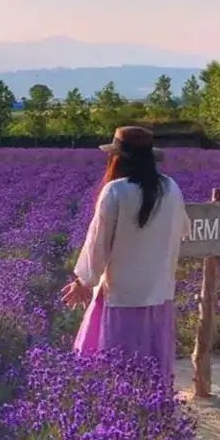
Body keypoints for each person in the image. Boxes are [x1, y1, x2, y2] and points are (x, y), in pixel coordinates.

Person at [60, 126, 189, 384]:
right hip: (159, 294)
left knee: (117, 370)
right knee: (152, 369)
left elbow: (98, 243)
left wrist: (84, 281)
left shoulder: (116, 191)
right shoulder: (171, 187)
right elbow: (182, 231)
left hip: (122, 296)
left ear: (116, 158)